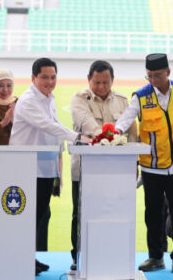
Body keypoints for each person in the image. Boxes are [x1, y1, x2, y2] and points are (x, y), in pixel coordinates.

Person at [115, 53, 173, 274]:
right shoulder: (141, 96)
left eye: (157, 75)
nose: (153, 80)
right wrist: (114, 132)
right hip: (151, 166)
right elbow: (125, 118)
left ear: (168, 72)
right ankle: (155, 256)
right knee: (153, 213)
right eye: (149, 76)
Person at [9, 58, 91, 275]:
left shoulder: (49, 97)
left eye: (53, 77)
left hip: (44, 168)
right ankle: (17, 260)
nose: (49, 81)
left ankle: (28, 257)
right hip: (26, 168)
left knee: (37, 215)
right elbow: (47, 125)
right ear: (33, 78)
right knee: (25, 217)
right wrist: (77, 137)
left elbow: (51, 132)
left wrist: (57, 170)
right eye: (44, 77)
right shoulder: (28, 100)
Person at [69, 60, 137, 270]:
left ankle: (112, 255)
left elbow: (132, 133)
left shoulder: (122, 101)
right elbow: (89, 126)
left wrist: (135, 163)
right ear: (89, 80)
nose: (101, 87)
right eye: (96, 82)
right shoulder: (79, 99)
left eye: (105, 82)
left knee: (113, 212)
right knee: (80, 213)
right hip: (84, 168)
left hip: (117, 172)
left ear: (112, 80)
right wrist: (111, 136)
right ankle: (77, 258)